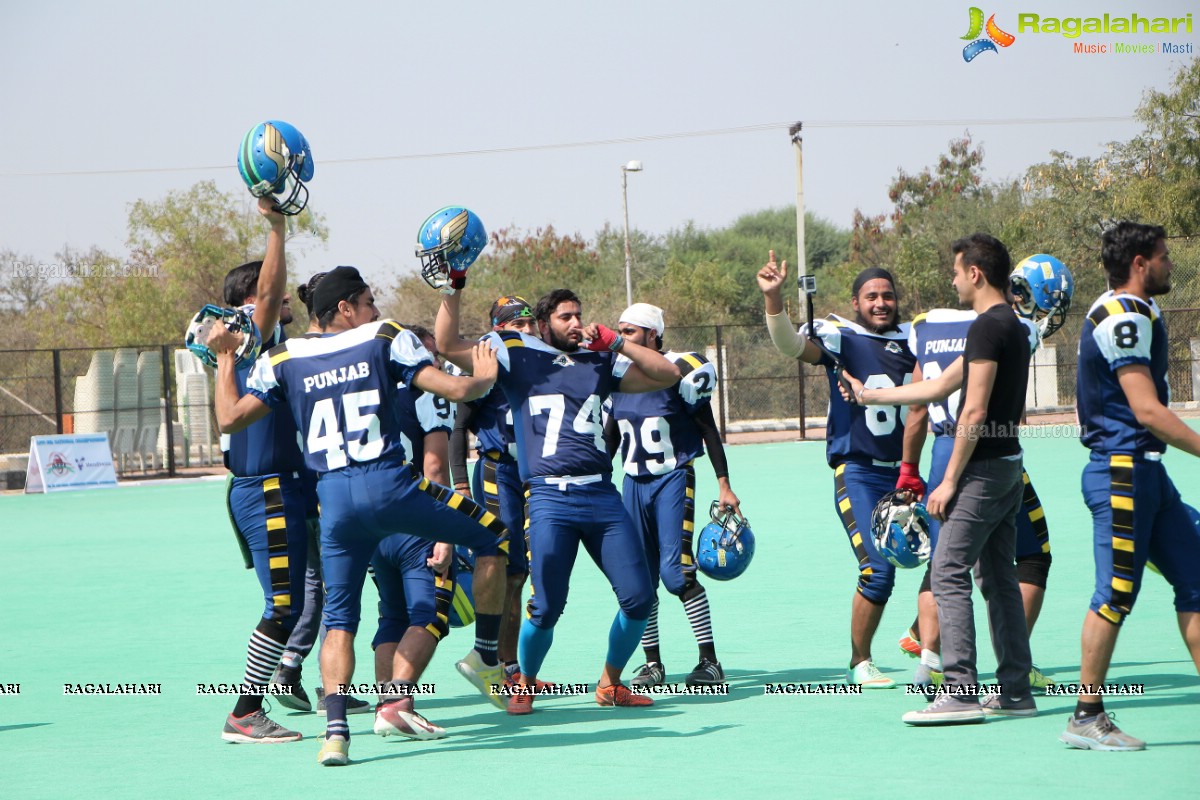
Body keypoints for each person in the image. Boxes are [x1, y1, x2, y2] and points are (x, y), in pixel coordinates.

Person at [214, 265, 510, 766]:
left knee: (339, 620)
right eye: (368, 300)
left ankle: (335, 736)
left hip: (336, 503)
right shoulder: (384, 335)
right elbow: (457, 392)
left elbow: (228, 418)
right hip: (391, 487)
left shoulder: (283, 356)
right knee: (495, 536)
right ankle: (484, 654)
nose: (376, 309)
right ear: (346, 308)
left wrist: (224, 359)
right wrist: (482, 377)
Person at [435, 285, 681, 715]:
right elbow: (447, 345)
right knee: (546, 605)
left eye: (578, 315)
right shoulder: (519, 358)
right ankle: (524, 682)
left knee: (640, 597)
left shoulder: (598, 360)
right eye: (565, 316)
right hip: (550, 497)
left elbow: (666, 374)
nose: (575, 322)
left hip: (601, 494)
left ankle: (610, 681)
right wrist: (453, 291)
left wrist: (619, 342)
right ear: (544, 325)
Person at [855, 233, 1034, 725]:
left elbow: (973, 409)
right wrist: (870, 397)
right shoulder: (1010, 326)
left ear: (975, 273)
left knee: (949, 572)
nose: (953, 279)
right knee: (998, 579)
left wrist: (949, 479)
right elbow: (935, 386)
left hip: (977, 472)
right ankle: (1016, 689)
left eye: (957, 271)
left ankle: (959, 692)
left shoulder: (985, 328)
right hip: (1007, 468)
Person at [758, 252, 924, 688]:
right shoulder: (842, 338)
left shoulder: (916, 339)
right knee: (877, 569)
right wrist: (774, 300)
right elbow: (791, 345)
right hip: (861, 472)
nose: (881, 303)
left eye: (888, 295)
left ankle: (921, 635)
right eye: (872, 296)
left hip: (910, 472)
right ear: (855, 302)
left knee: (952, 557)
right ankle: (860, 659)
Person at [1063, 222, 1200, 750]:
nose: (1170, 264)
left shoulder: (1130, 310)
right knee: (1117, 593)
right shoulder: (1124, 315)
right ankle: (1085, 715)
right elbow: (1146, 408)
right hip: (1121, 468)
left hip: (1146, 472)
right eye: (1164, 256)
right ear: (1140, 263)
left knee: (1195, 576)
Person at [871, 300, 1055, 693]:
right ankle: (990, 682)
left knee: (947, 561)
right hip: (986, 455)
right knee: (1020, 560)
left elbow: (924, 402)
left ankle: (932, 661)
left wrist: (909, 468)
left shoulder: (928, 325)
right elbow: (972, 410)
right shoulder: (1010, 327)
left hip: (947, 448)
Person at [605, 302, 740, 688]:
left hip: (672, 479)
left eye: (629, 332)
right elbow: (611, 439)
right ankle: (652, 663)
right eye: (620, 330)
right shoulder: (617, 374)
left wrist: (724, 484)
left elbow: (708, 430)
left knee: (676, 574)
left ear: (652, 335)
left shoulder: (681, 371)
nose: (621, 338)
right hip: (633, 484)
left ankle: (709, 660)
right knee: (639, 582)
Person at [216, 198, 310, 744]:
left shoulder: (244, 351)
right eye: (269, 295)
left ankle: (327, 688)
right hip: (267, 490)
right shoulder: (255, 339)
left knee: (305, 595)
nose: (281, 297)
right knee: (283, 605)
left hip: (280, 488)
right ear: (251, 303)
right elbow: (272, 295)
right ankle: (244, 711)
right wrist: (277, 227)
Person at [269, 272, 368, 717]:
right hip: (315, 489)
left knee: (324, 589)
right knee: (322, 589)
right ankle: (289, 669)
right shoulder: (300, 357)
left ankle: (316, 679)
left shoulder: (296, 358)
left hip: (315, 488)